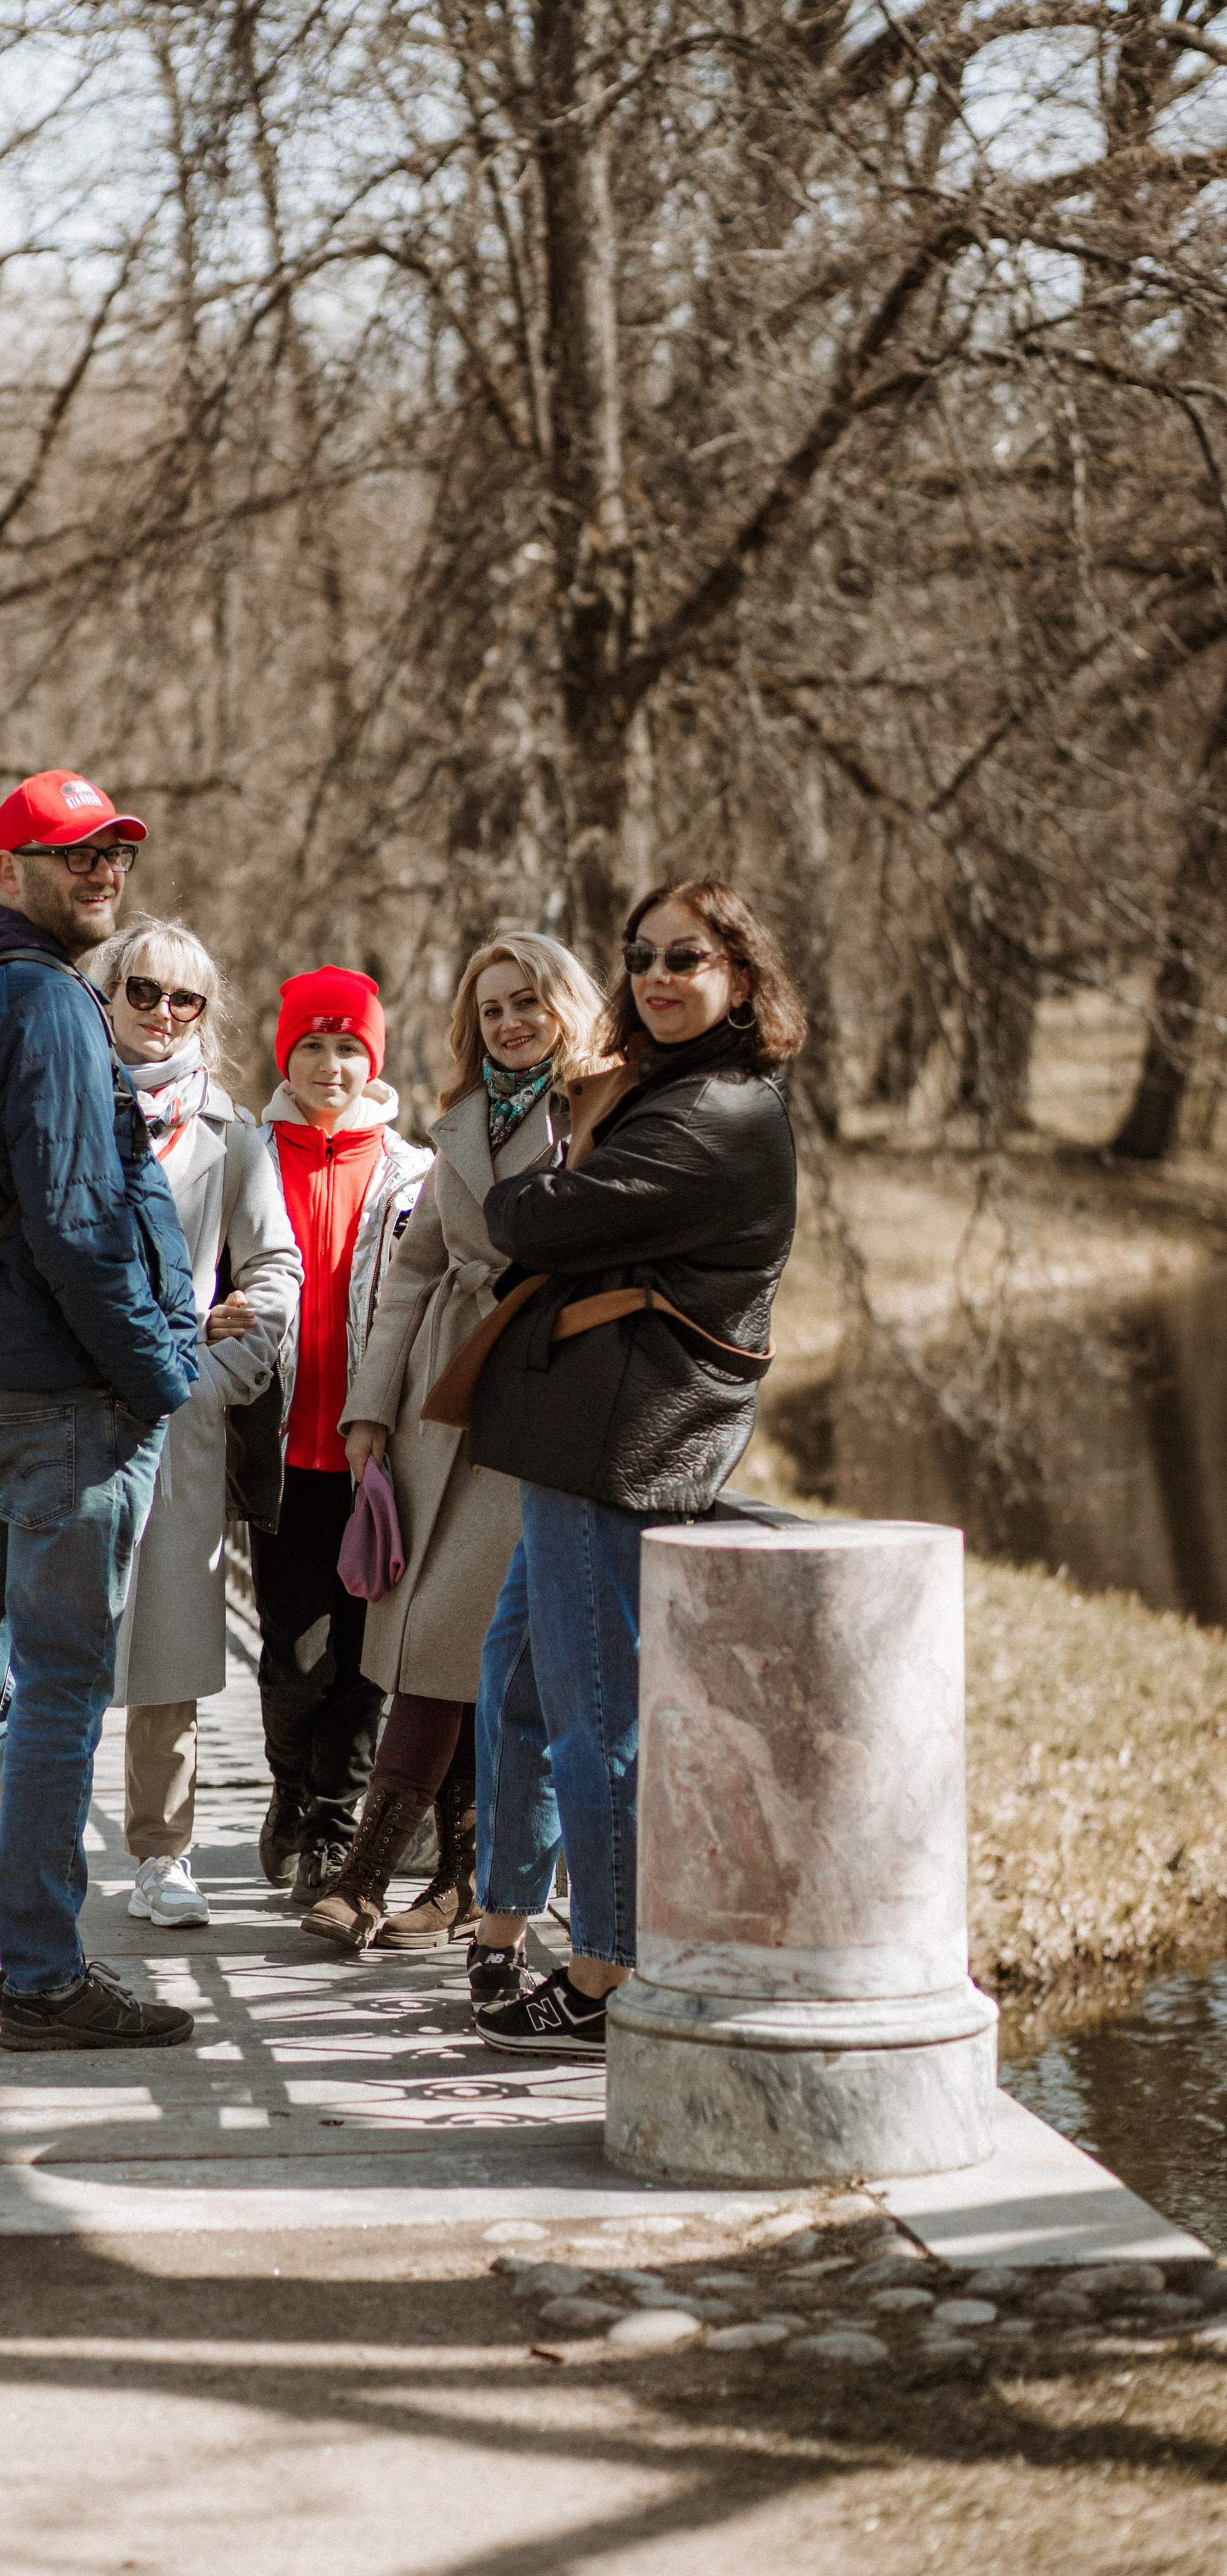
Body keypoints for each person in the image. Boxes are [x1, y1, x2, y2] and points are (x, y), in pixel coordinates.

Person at [462, 878, 805, 2056]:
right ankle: (504, 1918)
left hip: (624, 1443)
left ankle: (610, 1971)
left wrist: (552, 1169)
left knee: (594, 1709)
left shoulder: (718, 1113)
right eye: (644, 955)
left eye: (689, 959)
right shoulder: (670, 1089)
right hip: (583, 1433)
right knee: (518, 1678)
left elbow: (533, 1218)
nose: (660, 975)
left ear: (741, 980)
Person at [0, 769, 201, 2054]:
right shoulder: (39, 1002)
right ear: (6, 865)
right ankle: (41, 1976)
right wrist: (162, 1372)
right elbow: (83, 1224)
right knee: (60, 1688)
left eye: (115, 856)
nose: (101, 873)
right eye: (72, 853)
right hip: (63, 1396)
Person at [303, 934, 607, 1953]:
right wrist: (370, 1411)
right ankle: (464, 1879)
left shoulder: (598, 1116)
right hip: (445, 1396)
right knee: (462, 1642)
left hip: (537, 1395)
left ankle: (365, 1874)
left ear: (566, 1006)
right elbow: (416, 1271)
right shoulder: (467, 1123)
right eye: (491, 1010)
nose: (511, 1023)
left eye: (529, 1002)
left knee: (450, 1639)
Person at [87, 918, 303, 1928]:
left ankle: (162, 1853)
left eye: (186, 1000)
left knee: (169, 1639)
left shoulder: (232, 1130)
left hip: (177, 1414)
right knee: (51, 1634)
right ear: (108, 991)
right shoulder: (61, 1101)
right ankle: (25, 1842)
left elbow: (275, 1273)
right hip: (69, 1413)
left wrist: (216, 1377)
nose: (163, 1014)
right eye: (144, 991)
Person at [253, 967, 432, 1907]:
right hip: (281, 1452)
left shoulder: (412, 1172)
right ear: (288, 1053)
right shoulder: (246, 1156)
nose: (331, 1066)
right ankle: (290, 1792)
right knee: (297, 1654)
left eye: (349, 1048)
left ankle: (331, 1823)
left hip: (376, 1456)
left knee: (367, 1657)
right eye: (314, 1046)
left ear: (375, 1060)